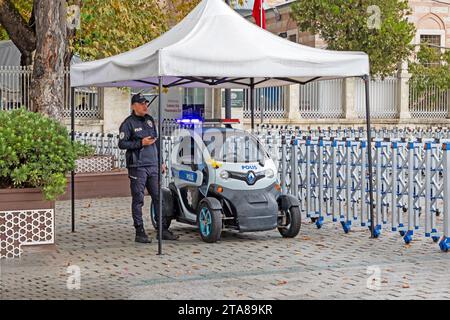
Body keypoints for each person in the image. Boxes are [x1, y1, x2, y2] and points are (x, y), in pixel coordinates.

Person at [118, 93, 179, 243]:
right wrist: (140, 143)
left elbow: (157, 142)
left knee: (159, 197)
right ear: (134, 106)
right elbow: (122, 144)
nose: (145, 106)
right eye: (141, 103)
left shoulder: (150, 120)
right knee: (138, 199)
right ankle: (139, 231)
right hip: (137, 167)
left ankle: (162, 229)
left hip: (153, 165)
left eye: (146, 103)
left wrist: (161, 161)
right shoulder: (128, 123)